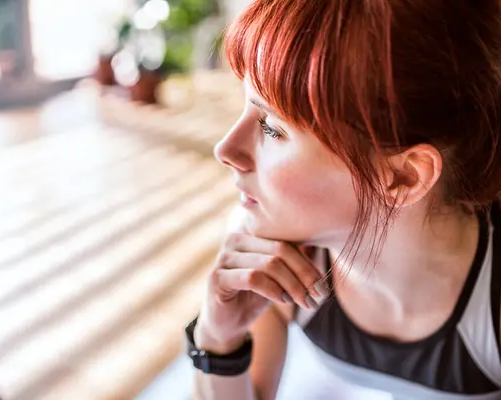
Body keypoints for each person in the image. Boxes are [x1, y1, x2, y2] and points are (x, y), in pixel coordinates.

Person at [183, 0, 501, 399]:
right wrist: (217, 337)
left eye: (272, 129)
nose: (225, 149)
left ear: (403, 176)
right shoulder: (270, 252)